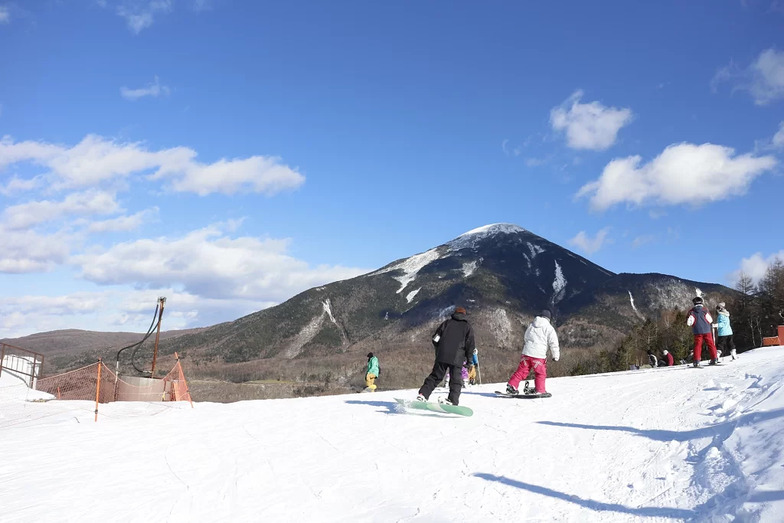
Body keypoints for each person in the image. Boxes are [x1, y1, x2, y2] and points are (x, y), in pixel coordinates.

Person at [417, 306, 475, 406]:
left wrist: (439, 350)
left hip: (442, 356)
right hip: (457, 358)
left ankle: (423, 394)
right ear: (464, 315)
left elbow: (435, 339)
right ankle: (452, 401)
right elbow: (470, 345)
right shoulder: (467, 327)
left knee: (435, 376)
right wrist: (469, 361)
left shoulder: (446, 323)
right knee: (455, 380)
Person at [506, 310, 560, 395]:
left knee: (522, 370)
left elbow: (526, 337)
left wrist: (528, 346)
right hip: (538, 355)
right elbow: (554, 343)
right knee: (540, 373)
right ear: (549, 319)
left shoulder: (532, 325)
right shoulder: (549, 328)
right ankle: (540, 390)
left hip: (526, 353)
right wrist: (555, 356)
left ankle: (511, 386)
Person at [687, 296, 718, 366]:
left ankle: (696, 361)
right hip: (707, 330)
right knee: (711, 344)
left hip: (697, 331)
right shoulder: (705, 310)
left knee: (697, 346)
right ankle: (714, 359)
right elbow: (710, 320)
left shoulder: (692, 312)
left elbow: (689, 323)